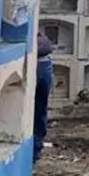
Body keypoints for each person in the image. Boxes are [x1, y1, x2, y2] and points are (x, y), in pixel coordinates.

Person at [33, 30, 55, 164]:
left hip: (39, 63)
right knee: (39, 112)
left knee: (38, 111)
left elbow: (45, 46)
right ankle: (35, 150)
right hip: (43, 64)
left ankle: (35, 150)